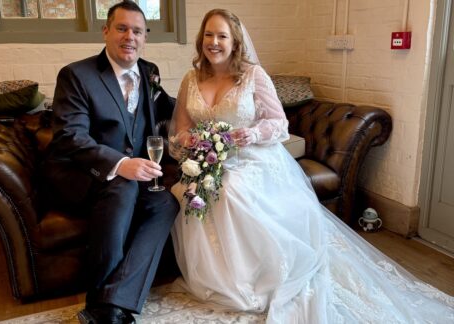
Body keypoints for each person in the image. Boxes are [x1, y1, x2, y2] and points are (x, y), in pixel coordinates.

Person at [168, 8, 454, 324]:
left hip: (250, 158)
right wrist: (189, 140)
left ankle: (255, 279)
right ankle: (215, 279)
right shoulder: (191, 78)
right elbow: (180, 128)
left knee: (231, 189)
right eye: (209, 35)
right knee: (193, 190)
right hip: (207, 160)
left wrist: (250, 133)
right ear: (201, 39)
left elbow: (278, 123)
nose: (214, 42)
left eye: (222, 35)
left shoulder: (252, 75)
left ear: (235, 42)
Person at [42, 1, 179, 323]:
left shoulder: (149, 72)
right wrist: (120, 164)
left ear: (145, 37)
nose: (129, 37)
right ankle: (100, 301)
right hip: (78, 172)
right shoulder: (77, 75)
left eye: (137, 31)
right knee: (123, 188)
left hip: (129, 175)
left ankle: (113, 300)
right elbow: (69, 137)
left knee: (165, 203)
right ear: (106, 31)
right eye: (121, 28)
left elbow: (168, 109)